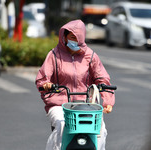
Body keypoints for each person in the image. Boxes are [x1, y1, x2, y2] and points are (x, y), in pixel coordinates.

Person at [35, 19, 115, 150]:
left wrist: (107, 101)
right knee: (61, 126)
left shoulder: (91, 56)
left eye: (77, 38)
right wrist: (47, 84)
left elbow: (103, 79)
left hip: (86, 104)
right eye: (71, 37)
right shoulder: (54, 55)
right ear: (64, 37)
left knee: (100, 128)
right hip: (59, 104)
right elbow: (42, 79)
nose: (74, 41)